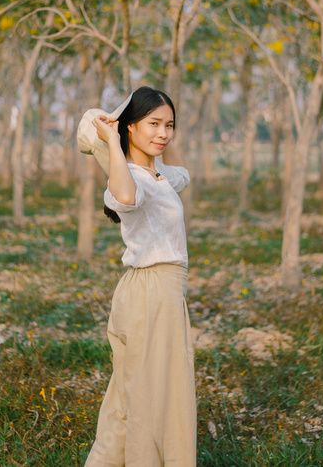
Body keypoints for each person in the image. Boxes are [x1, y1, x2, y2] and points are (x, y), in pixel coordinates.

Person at [75, 85, 197, 466]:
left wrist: (160, 141)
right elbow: (125, 198)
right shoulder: (130, 176)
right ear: (130, 127)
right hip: (150, 292)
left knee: (134, 397)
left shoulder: (156, 174)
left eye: (169, 125)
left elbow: (184, 174)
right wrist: (112, 141)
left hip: (160, 293)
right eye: (153, 124)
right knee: (149, 398)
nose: (163, 133)